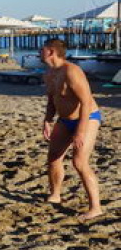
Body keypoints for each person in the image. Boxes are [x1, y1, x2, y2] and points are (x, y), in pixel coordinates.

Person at [40, 38, 103, 220]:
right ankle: (55, 194)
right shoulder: (49, 74)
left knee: (79, 162)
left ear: (51, 52)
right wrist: (47, 120)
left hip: (88, 118)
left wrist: (80, 132)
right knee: (53, 157)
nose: (39, 52)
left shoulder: (72, 71)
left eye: (42, 49)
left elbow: (86, 102)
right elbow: (52, 100)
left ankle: (95, 208)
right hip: (65, 120)